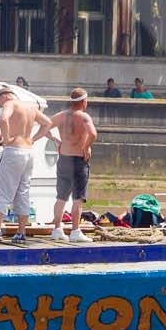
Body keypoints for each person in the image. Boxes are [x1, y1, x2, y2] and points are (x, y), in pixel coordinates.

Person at [0, 85, 54, 241]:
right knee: (23, 191)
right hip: (28, 151)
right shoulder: (31, 106)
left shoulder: (9, 104)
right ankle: (21, 232)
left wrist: (5, 139)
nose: (0, 105)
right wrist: (34, 138)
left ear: (3, 97)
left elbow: (3, 119)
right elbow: (48, 123)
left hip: (14, 150)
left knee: (1, 189)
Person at [50, 88, 99, 242]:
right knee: (78, 198)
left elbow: (44, 126)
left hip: (64, 158)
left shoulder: (60, 116)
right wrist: (86, 146)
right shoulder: (84, 117)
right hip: (78, 159)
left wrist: (55, 140)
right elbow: (93, 134)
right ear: (84, 102)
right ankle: (75, 231)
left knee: (61, 197)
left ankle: (57, 229)